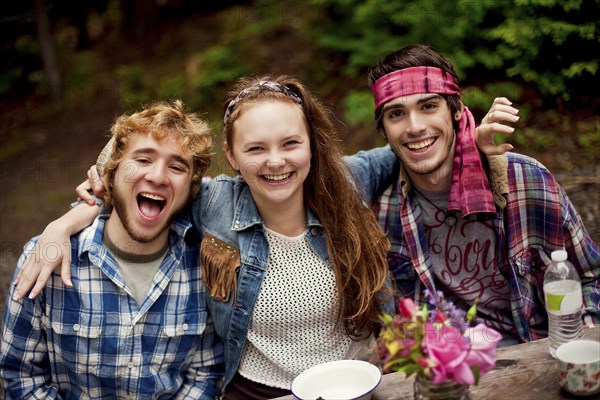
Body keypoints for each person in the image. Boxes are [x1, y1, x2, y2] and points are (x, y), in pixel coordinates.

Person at [10, 74, 506, 398]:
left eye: (291, 143)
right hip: (256, 392)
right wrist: (68, 220)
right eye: (256, 148)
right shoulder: (213, 202)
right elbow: (131, 179)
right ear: (231, 152)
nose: (276, 161)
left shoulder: (344, 182)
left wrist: (473, 142)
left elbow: (409, 146)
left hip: (359, 384)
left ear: (313, 144)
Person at [367, 44, 600, 345]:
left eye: (428, 106)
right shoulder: (382, 210)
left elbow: (592, 278)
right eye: (396, 114)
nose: (415, 127)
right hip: (443, 368)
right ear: (384, 130)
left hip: (537, 353)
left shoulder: (527, 182)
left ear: (455, 110)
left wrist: (582, 346)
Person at [0, 100, 225, 399]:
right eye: (143, 160)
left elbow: (206, 373)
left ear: (191, 187)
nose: (158, 176)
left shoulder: (203, 265)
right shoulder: (45, 257)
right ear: (111, 174)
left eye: (176, 166)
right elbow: (21, 376)